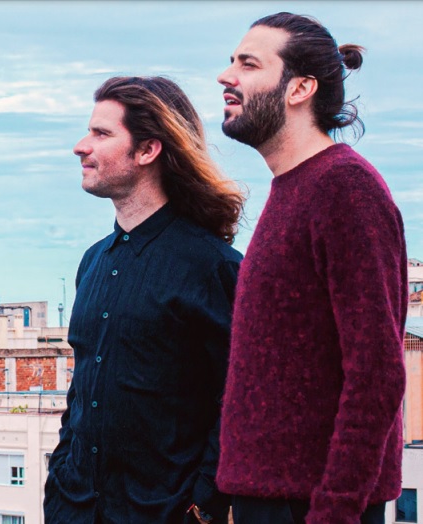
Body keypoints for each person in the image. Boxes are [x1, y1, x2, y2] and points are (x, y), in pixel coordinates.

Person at [216, 12, 408, 524]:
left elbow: (378, 372)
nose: (225, 76)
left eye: (248, 64)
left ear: (300, 87)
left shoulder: (344, 188)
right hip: (270, 501)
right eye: (231, 61)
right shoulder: (295, 188)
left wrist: (335, 511)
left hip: (309, 507)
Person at [43, 76, 245, 524]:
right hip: (76, 509)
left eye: (101, 133)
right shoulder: (93, 261)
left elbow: (238, 398)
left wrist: (203, 505)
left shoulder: (214, 266)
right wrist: (59, 480)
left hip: (164, 512)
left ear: (148, 151)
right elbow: (82, 391)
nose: (81, 146)